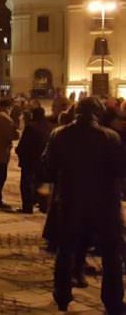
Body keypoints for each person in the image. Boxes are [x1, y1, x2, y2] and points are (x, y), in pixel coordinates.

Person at [42, 97, 125, 313]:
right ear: (97, 113)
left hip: (70, 202)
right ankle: (113, 301)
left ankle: (62, 296)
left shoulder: (58, 135)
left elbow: (47, 169)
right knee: (111, 254)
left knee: (65, 250)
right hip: (104, 205)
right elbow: (121, 171)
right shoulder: (110, 137)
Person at [15, 107, 51, 214]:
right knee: (42, 182)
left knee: (27, 183)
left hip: (30, 160)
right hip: (44, 160)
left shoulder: (30, 127)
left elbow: (23, 145)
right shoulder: (49, 126)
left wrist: (18, 151)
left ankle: (27, 207)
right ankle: (44, 205)